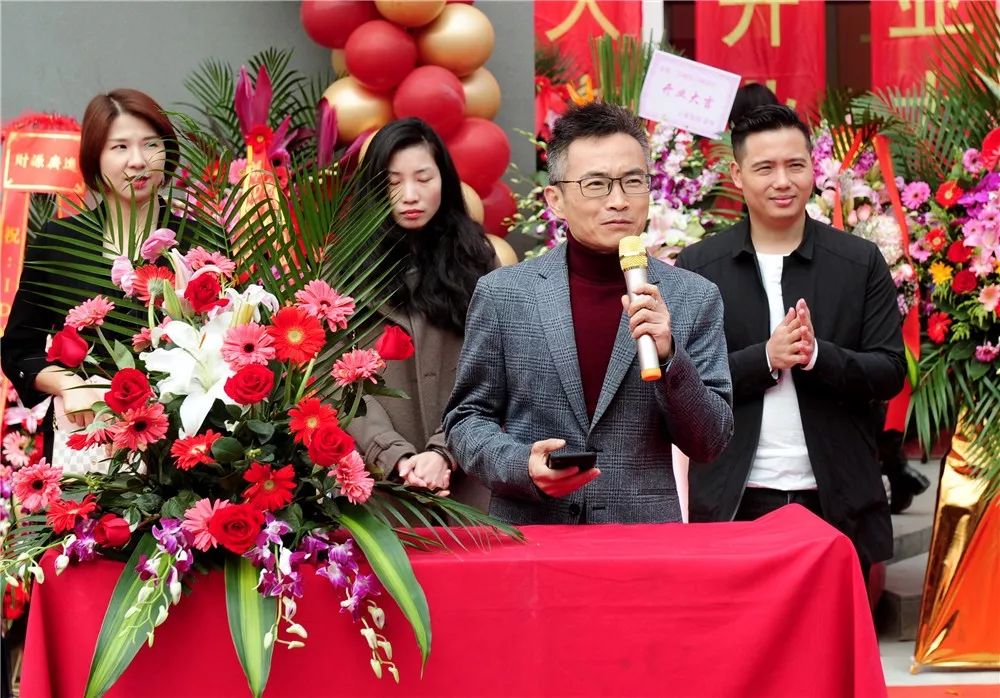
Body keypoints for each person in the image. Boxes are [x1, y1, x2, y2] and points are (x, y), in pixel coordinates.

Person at [444, 102, 734, 525]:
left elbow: (710, 441)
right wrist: (522, 465)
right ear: (556, 200)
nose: (618, 201)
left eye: (632, 181)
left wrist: (671, 358)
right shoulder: (504, 294)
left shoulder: (694, 297)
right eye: (596, 184)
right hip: (534, 534)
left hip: (640, 539)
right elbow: (467, 419)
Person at [675, 105, 905, 576]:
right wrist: (765, 358)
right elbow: (683, 386)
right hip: (736, 498)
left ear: (812, 168)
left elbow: (889, 371)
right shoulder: (700, 266)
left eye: (795, 165)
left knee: (834, 626)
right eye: (765, 168)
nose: (783, 181)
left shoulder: (859, 262)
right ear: (737, 175)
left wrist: (817, 356)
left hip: (835, 497)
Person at [2, 89, 187, 462]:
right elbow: (18, 350)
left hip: (186, 444)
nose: (138, 161)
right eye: (120, 147)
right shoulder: (60, 243)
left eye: (151, 144)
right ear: (95, 158)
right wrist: (68, 383)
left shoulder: (200, 242)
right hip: (92, 444)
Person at [346, 118, 495, 510]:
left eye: (424, 178)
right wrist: (395, 455)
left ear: (444, 180)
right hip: (377, 488)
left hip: (469, 483)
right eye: (393, 182)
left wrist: (444, 451)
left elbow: (495, 370)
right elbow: (335, 384)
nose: (410, 195)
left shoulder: (477, 262)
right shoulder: (345, 271)